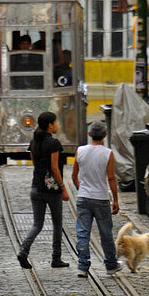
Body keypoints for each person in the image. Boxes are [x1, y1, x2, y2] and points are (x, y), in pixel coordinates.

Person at [17, 111, 70, 270]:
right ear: (50, 125)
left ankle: (23, 251)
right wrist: (63, 188)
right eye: (55, 123)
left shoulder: (35, 141)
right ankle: (56, 257)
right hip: (52, 190)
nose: (57, 125)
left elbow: (35, 164)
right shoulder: (53, 144)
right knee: (57, 223)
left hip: (36, 186)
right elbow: (54, 168)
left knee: (37, 224)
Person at [72, 119, 120, 278]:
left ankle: (83, 266)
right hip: (101, 198)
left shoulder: (80, 151)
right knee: (106, 233)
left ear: (89, 134)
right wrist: (116, 200)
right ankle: (111, 265)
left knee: (83, 232)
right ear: (105, 135)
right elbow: (111, 178)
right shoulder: (108, 153)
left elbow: (74, 176)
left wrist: (81, 188)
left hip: (84, 197)